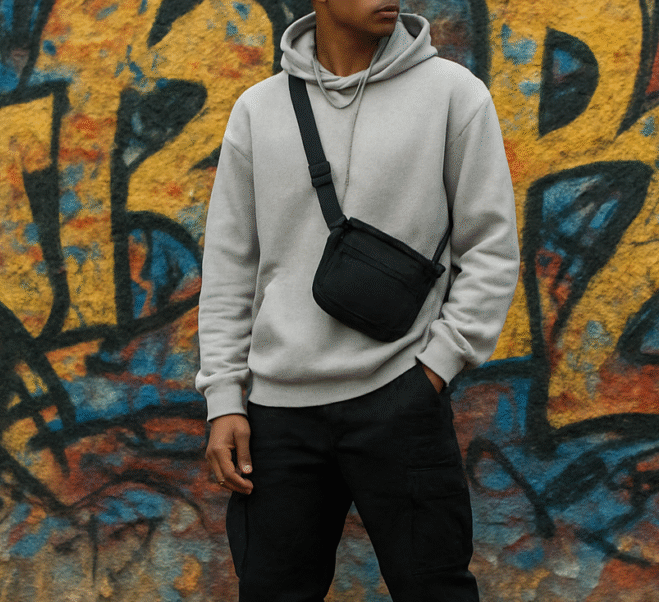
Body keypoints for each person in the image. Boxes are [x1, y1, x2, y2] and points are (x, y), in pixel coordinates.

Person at [195, 0, 519, 599]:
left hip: (401, 398)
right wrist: (224, 397)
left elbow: (492, 249)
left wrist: (434, 370)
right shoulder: (258, 110)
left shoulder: (454, 95)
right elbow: (229, 268)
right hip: (278, 413)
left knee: (436, 590)